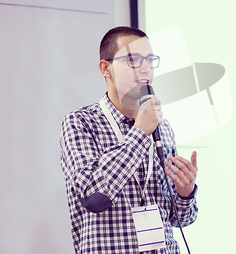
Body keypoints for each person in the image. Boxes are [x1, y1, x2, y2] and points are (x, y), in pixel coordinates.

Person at [60, 26, 198, 254]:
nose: (145, 68)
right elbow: (93, 197)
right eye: (133, 60)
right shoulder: (80, 123)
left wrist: (185, 193)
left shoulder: (162, 128)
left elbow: (180, 220)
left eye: (150, 60)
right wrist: (139, 133)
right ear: (106, 68)